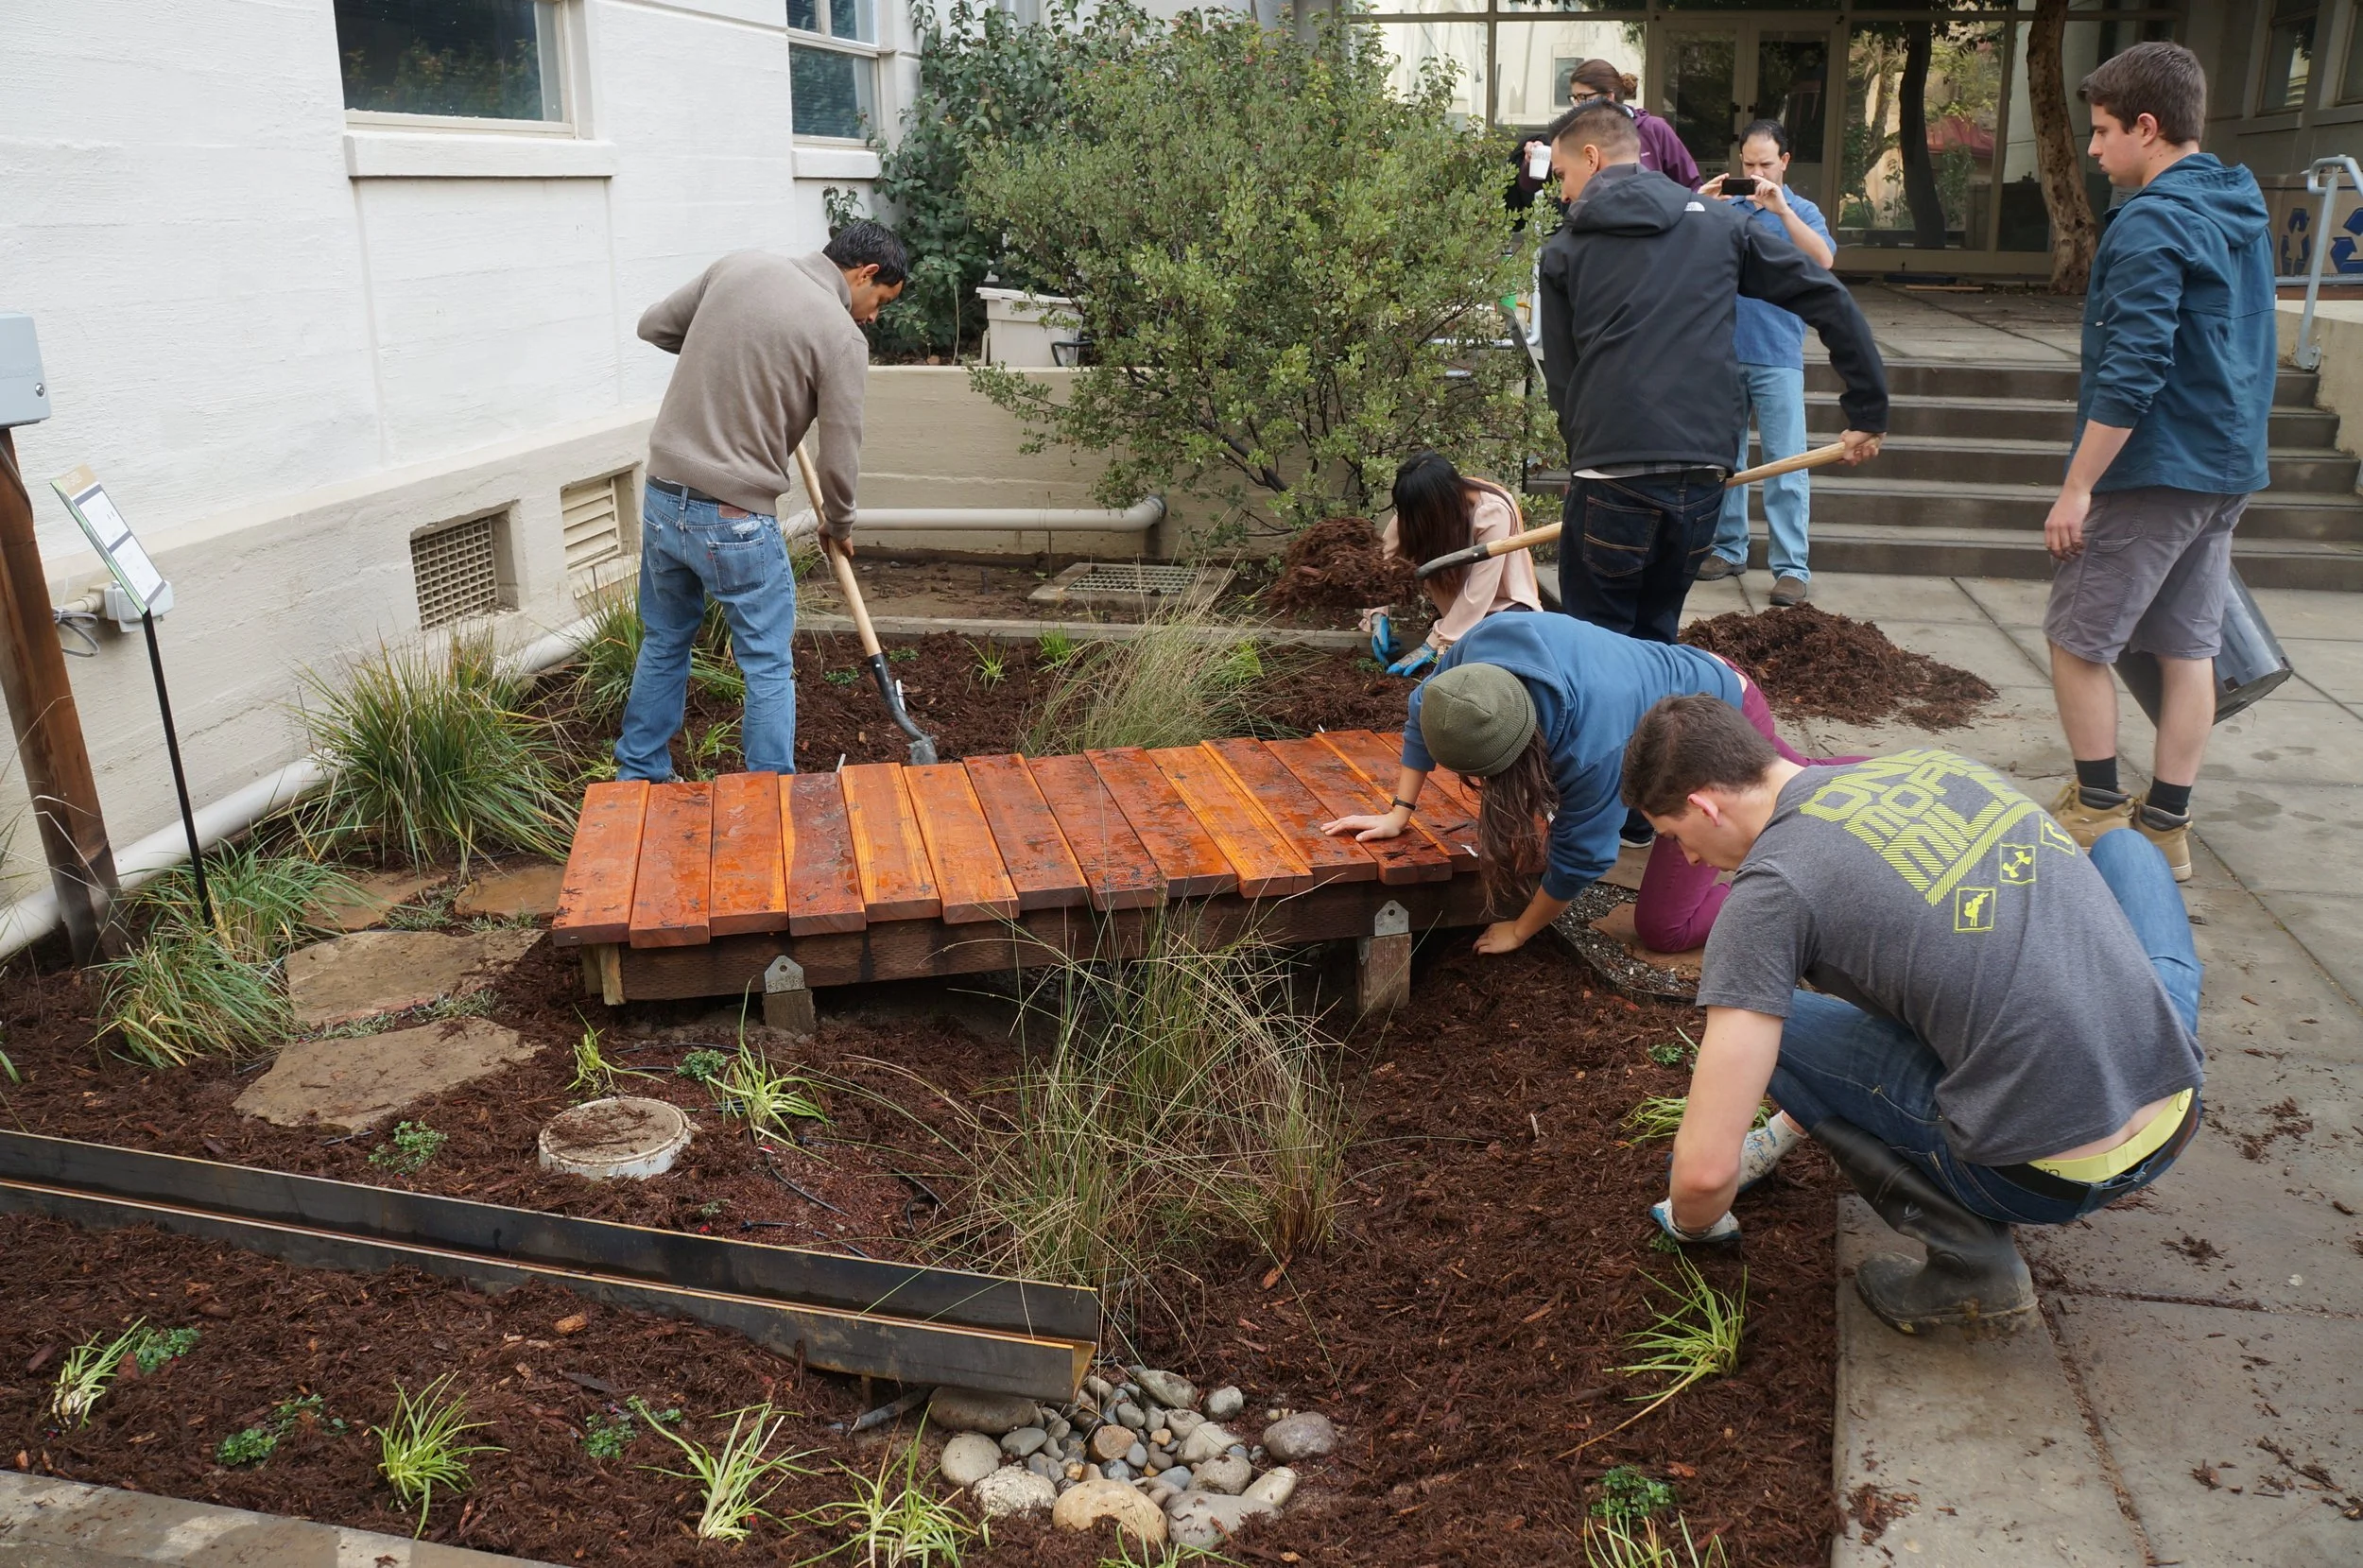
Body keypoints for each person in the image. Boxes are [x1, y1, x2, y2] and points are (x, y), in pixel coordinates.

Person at [1626, 694, 2203, 1336]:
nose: (1689, 861)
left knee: (1776, 1022)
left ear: (1705, 805)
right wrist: (1786, 1128)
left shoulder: (1770, 892)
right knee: (2126, 851)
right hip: (2175, 1095)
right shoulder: (1935, 766)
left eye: (1676, 837)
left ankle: (1972, 1262)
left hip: (2044, 1174)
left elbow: (1705, 1172)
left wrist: (1691, 1222)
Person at [2040, 42, 2274, 884]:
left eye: (2102, 132)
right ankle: (2166, 825)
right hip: (2227, 465)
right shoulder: (2237, 205)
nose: (2094, 150)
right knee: (2188, 649)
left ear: (2149, 126)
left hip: (2156, 467)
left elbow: (2135, 366)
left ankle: (2097, 810)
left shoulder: (2151, 220)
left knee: (2078, 639)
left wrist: (2078, 486)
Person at [1537, 101, 1887, 650]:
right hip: (1700, 476)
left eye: (1562, 175)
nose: (1562, 192)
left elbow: (1563, 378)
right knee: (1655, 640)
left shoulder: (1565, 250)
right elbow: (1826, 296)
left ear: (1592, 157)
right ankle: (1653, 735)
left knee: (1594, 652)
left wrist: (1585, 449)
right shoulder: (1721, 225)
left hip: (1610, 473)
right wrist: (1868, 410)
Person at [1317, 612, 1840, 958]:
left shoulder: (1595, 746)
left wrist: (1521, 929)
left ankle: (1785, 895)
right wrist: (1398, 813)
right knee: (1804, 778)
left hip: (1719, 717)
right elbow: (1422, 712)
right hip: (1661, 701)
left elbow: (1584, 856)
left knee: (1665, 930)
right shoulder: (1474, 661)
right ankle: (1848, 782)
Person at [613, 222, 908, 783]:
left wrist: (730, 353)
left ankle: (638, 774)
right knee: (767, 663)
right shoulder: (840, 337)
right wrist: (838, 522)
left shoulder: (739, 266)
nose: (872, 316)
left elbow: (654, 326)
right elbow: (840, 455)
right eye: (880, 301)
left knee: (665, 640)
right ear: (865, 274)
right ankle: (767, 793)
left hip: (662, 497)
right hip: (734, 517)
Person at [1698, 120, 1836, 609]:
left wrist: (1780, 209)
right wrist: (1698, 202)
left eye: (1765, 164)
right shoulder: (1720, 209)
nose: (1755, 173)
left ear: (1785, 161)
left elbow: (1823, 262)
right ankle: (1730, 549)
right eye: (1748, 164)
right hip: (1722, 352)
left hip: (1777, 354)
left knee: (1786, 464)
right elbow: (1676, 254)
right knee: (1724, 462)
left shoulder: (1801, 210)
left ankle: (1791, 567)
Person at [1373, 451, 1543, 678]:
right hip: (1457, 616)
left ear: (1436, 509)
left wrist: (1433, 643)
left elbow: (1478, 594)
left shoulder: (1492, 513)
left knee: (1488, 671)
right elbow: (1381, 561)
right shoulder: (1424, 504)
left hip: (1503, 611)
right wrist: (1376, 615)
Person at [1509, 60, 1699, 215]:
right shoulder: (1573, 133)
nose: (1576, 105)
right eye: (1574, 98)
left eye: (1583, 97)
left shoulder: (1653, 129)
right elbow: (1533, 185)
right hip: (1592, 233)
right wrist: (1531, 162)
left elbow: (1691, 184)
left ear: (1609, 97)